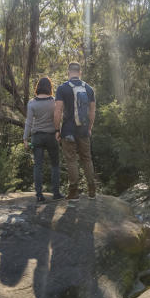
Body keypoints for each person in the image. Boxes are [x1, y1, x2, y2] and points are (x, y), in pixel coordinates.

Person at [53, 62, 96, 201]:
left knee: (71, 160)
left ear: (68, 72)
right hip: (83, 129)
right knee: (87, 159)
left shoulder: (62, 88)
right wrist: (89, 128)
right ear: (80, 72)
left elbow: (58, 110)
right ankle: (92, 190)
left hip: (68, 131)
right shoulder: (88, 89)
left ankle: (74, 192)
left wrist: (57, 129)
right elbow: (92, 111)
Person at [23, 77, 63, 202]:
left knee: (38, 166)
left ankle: (39, 195)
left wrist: (25, 138)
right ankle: (56, 193)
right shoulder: (54, 101)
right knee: (55, 165)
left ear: (38, 87)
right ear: (49, 87)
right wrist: (59, 132)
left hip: (37, 137)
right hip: (52, 136)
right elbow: (59, 118)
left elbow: (29, 122)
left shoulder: (32, 103)